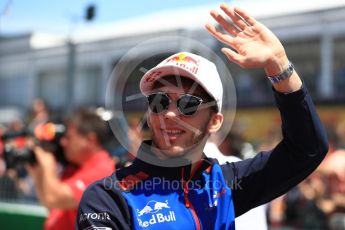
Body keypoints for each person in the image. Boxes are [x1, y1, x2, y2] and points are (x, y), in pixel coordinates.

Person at [77, 4, 328, 230]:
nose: (170, 113)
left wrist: (279, 65)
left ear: (215, 121)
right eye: (159, 101)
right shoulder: (108, 196)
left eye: (188, 104)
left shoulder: (225, 185)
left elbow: (307, 149)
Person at [27, 110, 115, 230]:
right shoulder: (76, 167)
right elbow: (48, 202)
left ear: (90, 140)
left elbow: (54, 198)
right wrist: (37, 172)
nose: (63, 143)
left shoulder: (102, 171)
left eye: (69, 137)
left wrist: (48, 165)